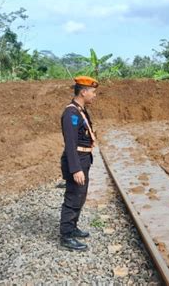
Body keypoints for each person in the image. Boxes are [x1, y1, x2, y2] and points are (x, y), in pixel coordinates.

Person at [59, 75, 98, 251]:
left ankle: (73, 227)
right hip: (76, 161)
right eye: (92, 92)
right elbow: (70, 143)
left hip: (84, 159)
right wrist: (75, 169)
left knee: (80, 196)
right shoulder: (70, 113)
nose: (94, 95)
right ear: (83, 92)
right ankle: (66, 235)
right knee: (74, 196)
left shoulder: (80, 111)